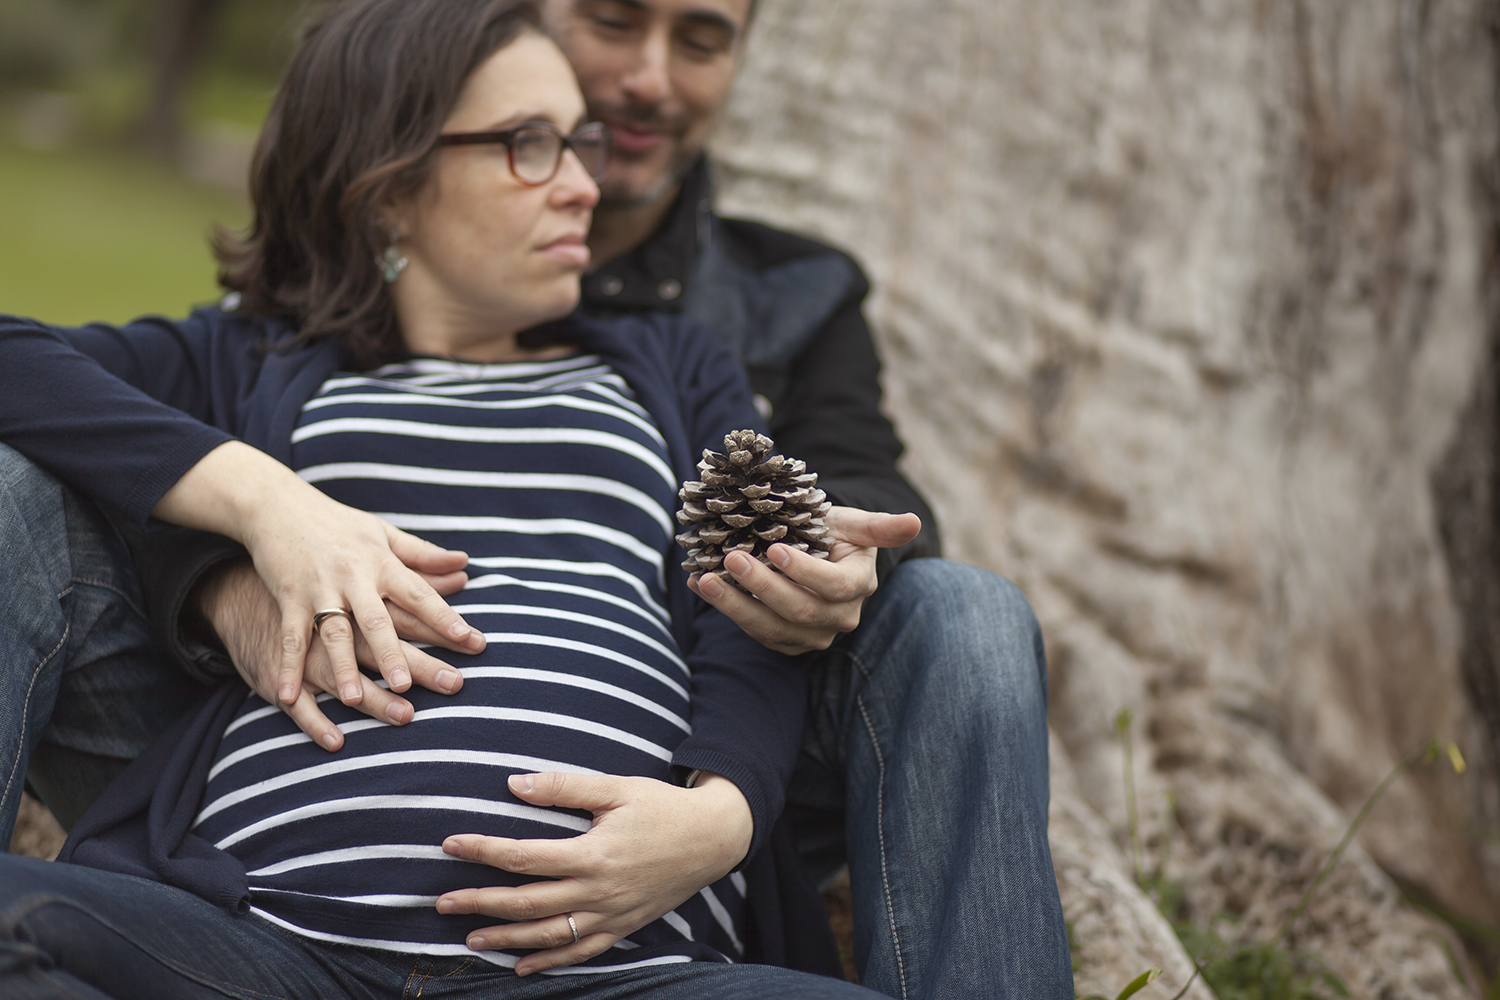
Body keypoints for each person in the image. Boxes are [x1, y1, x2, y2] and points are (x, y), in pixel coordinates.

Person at [2, 1, 1074, 999]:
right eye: (533, 146)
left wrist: (724, 814)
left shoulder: (673, 365)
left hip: (615, 968)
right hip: (270, 941)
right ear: (389, 186)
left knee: (968, 607)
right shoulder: (253, 356)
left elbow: (745, 598)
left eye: (582, 146)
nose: (582, 186)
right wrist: (263, 506)